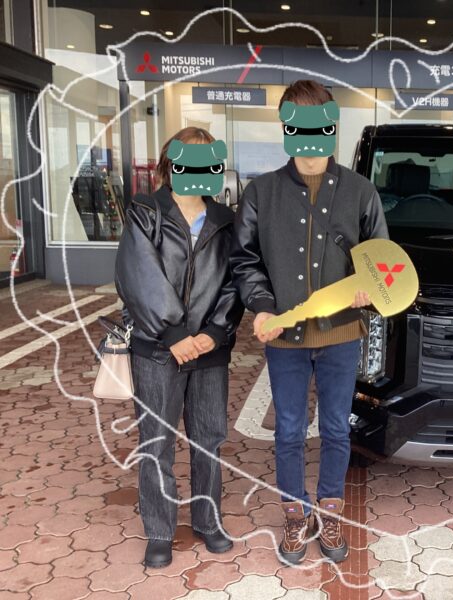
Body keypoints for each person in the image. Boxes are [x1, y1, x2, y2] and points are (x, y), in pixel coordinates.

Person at [230, 79, 388, 565]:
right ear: (286, 129)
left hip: (341, 334)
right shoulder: (261, 192)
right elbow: (245, 259)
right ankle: (295, 516)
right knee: (290, 430)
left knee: (337, 429)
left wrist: (367, 290)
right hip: (286, 337)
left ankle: (330, 513)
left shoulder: (360, 191)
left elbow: (380, 260)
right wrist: (262, 305)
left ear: (333, 128)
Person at [115, 127, 243, 569]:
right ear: (170, 166)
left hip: (209, 352)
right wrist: (173, 334)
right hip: (157, 350)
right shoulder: (146, 212)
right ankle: (159, 530)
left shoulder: (226, 220)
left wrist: (216, 332)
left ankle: (208, 521)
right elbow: (137, 275)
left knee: (208, 440)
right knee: (157, 442)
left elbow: (236, 280)